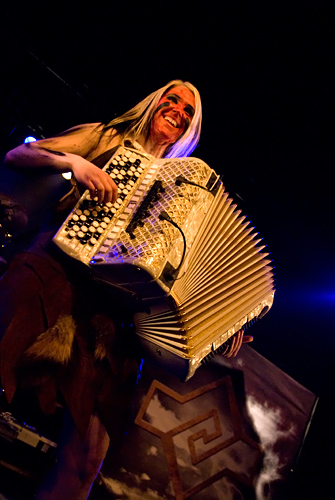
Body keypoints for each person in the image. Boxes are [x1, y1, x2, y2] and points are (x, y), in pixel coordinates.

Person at [0, 80, 252, 499]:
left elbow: (184, 275)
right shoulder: (106, 136)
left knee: (87, 458)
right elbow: (18, 153)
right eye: (171, 99)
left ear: (191, 127)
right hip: (57, 269)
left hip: (109, 315)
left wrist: (222, 323)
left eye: (188, 111)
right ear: (154, 102)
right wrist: (74, 163)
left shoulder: (190, 193)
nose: (176, 110)